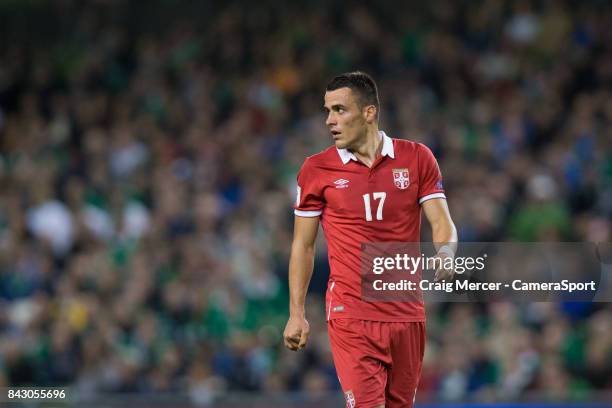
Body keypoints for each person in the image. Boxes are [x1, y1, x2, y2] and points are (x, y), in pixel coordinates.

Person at [283, 71, 457, 408]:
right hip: (351, 313)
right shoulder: (317, 170)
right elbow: (303, 246)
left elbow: (441, 221)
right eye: (327, 111)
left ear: (369, 113)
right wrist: (296, 312)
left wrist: (447, 251)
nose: (330, 121)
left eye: (339, 110)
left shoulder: (418, 158)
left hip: (407, 313)